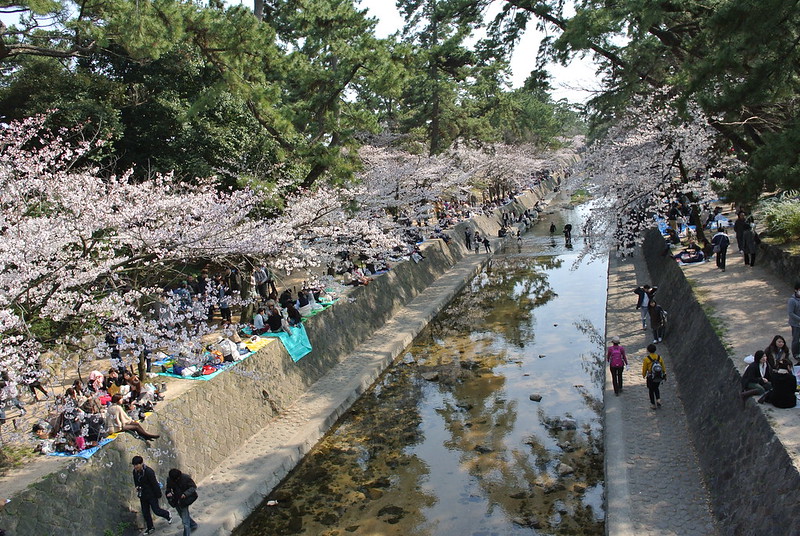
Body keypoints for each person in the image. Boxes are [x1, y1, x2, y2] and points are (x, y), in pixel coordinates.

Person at [132, 455, 172, 534]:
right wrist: (137, 487)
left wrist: (158, 495)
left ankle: (167, 514)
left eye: (137, 465)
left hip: (151, 494)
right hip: (142, 495)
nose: (135, 467)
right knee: (145, 512)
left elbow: (154, 484)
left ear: (141, 463)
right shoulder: (135, 472)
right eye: (134, 465)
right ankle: (150, 527)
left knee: (156, 510)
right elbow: (136, 481)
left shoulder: (149, 471)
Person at [166, 468, 198, 535]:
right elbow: (168, 488)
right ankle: (193, 524)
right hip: (176, 500)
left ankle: (186, 534)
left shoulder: (186, 478)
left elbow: (193, 487)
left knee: (185, 521)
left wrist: (185, 494)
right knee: (182, 515)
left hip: (185, 500)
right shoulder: (170, 479)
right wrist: (168, 493)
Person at [642, 344, 666, 409]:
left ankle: (653, 404)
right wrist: (664, 374)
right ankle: (658, 399)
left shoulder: (646, 359)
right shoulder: (659, 357)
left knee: (651, 390)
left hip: (650, 377)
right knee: (656, 388)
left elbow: (644, 368)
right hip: (658, 376)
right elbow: (663, 367)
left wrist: (643, 375)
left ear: (648, 350)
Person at [788, 281, 800, 362]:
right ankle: (795, 354)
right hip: (796, 324)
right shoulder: (792, 300)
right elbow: (790, 313)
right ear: (796, 290)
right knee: (796, 339)